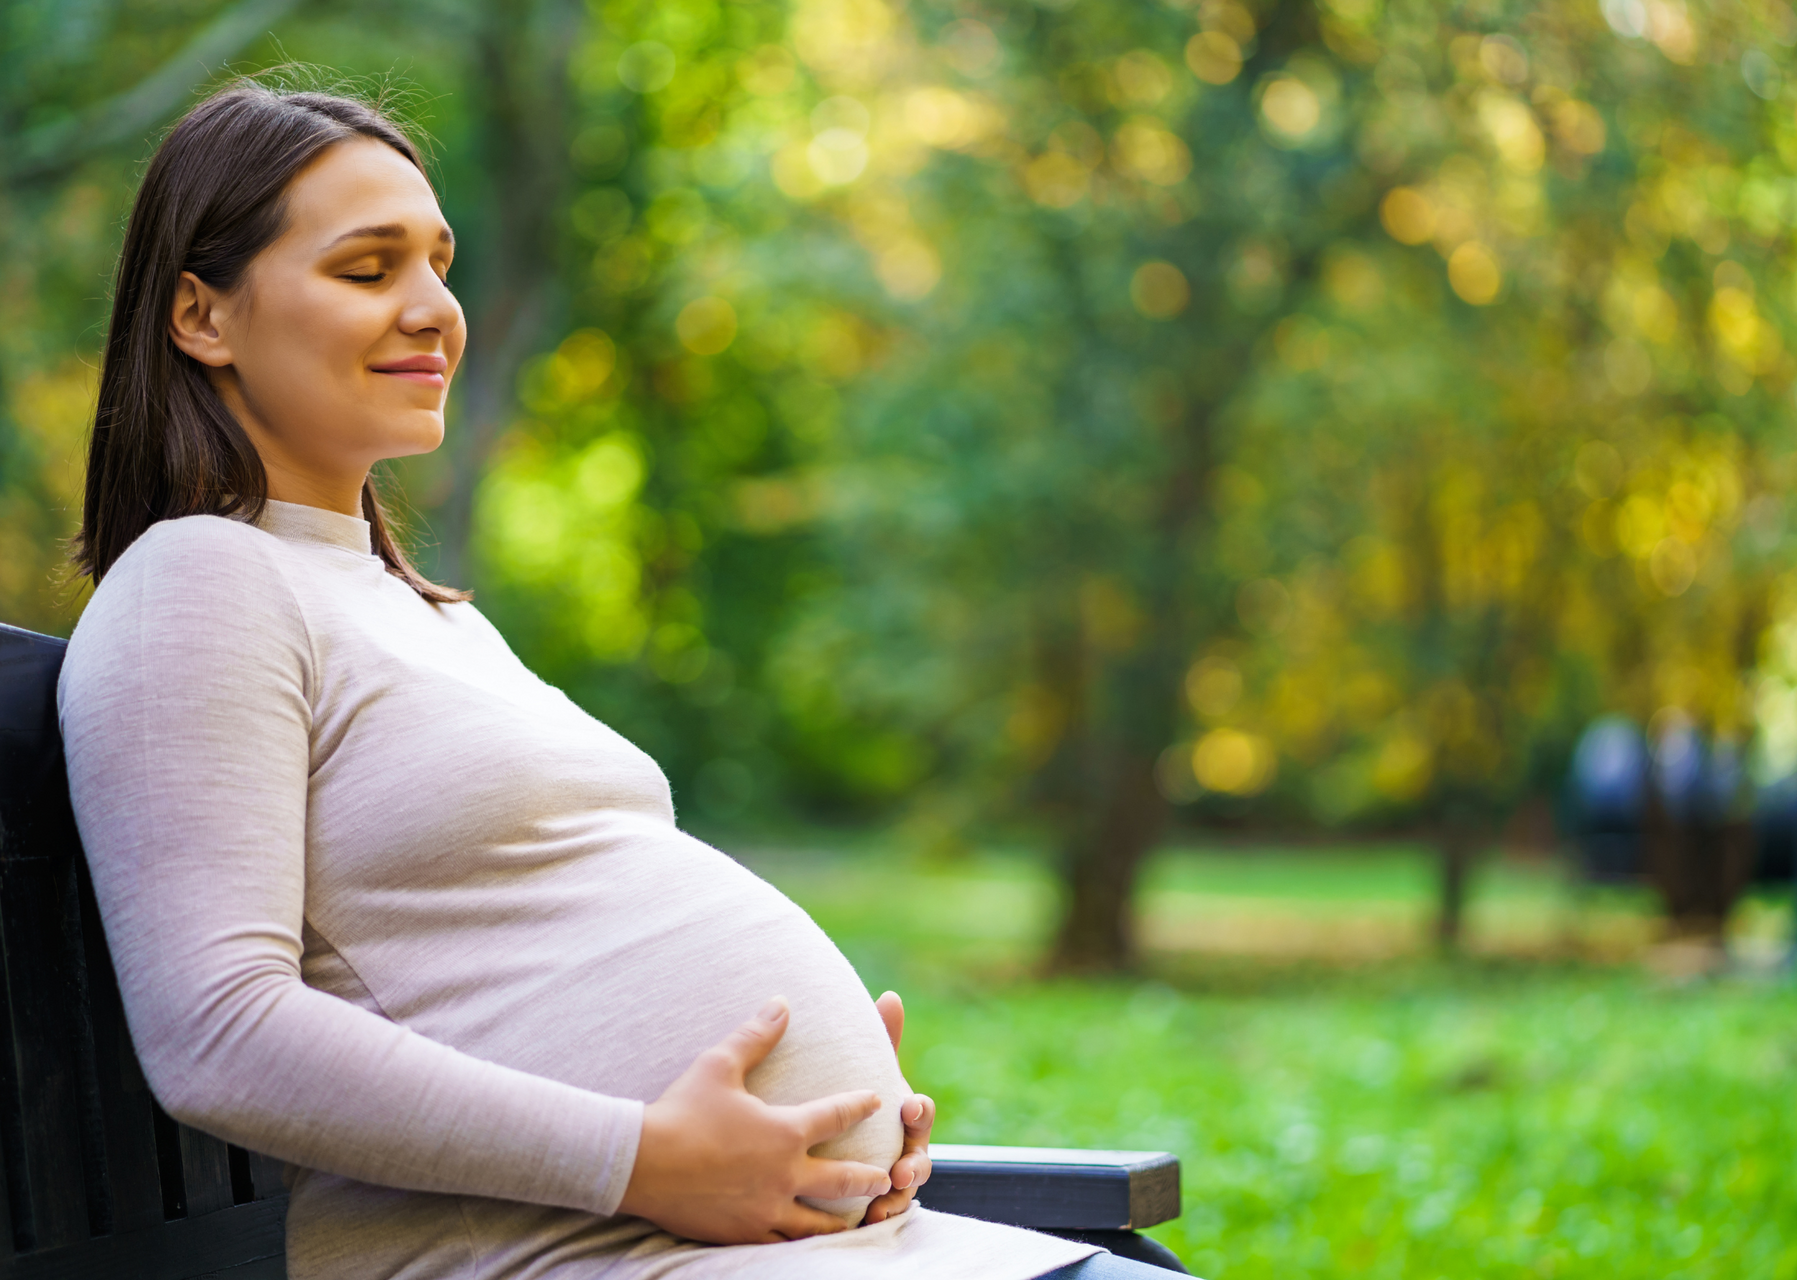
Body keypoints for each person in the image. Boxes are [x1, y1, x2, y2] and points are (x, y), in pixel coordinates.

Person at [60, 78, 1187, 1280]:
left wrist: (835, 1126)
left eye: (439, 263)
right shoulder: (199, 579)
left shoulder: (407, 605)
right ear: (201, 314)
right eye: (367, 268)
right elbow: (217, 1032)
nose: (434, 308)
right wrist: (646, 1156)